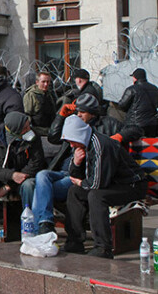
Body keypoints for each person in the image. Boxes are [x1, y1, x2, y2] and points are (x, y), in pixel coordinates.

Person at [33, 93, 141, 234]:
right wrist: (61, 115)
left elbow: (136, 129)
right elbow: (53, 137)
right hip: (65, 170)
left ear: (92, 113)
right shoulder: (73, 124)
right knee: (41, 176)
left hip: (83, 174)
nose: (79, 115)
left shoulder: (107, 125)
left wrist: (118, 137)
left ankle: (40, 229)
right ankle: (44, 225)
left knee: (40, 189)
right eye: (77, 112)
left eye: (82, 112)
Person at [61, 115, 147, 259]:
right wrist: (76, 163)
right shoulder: (81, 145)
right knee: (74, 192)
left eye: (72, 141)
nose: (71, 145)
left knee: (96, 196)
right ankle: (74, 240)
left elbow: (97, 184)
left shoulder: (100, 145)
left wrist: (81, 183)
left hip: (132, 185)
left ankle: (103, 247)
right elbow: (75, 176)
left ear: (79, 136)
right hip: (111, 184)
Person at [117, 68, 158, 137]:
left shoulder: (132, 89)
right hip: (152, 124)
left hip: (135, 124)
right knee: (151, 145)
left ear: (135, 78)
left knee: (134, 146)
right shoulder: (155, 89)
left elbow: (122, 105)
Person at [23, 72, 56, 136]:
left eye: (48, 82)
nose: (46, 84)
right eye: (43, 82)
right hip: (37, 131)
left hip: (49, 130)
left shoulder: (49, 95)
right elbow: (27, 114)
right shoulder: (31, 95)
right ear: (37, 82)